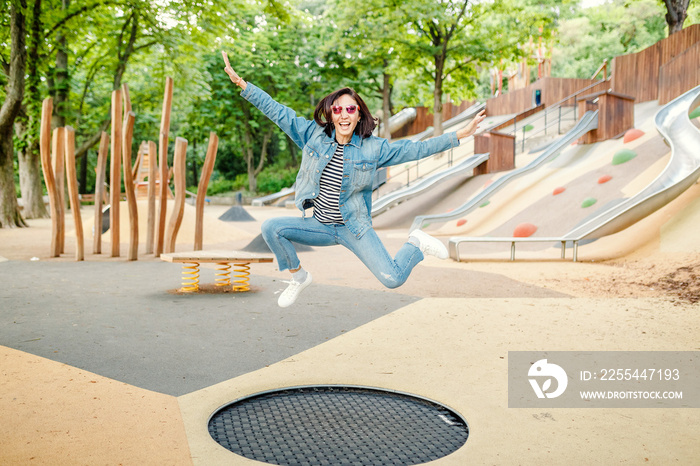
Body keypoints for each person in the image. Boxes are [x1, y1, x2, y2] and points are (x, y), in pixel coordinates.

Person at [222, 51, 485, 307]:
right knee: (271, 227)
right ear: (331, 114)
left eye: (350, 108)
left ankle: (416, 244)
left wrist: (459, 135)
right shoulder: (312, 135)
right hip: (320, 226)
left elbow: (415, 149)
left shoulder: (374, 148)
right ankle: (299, 277)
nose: (344, 114)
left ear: (359, 114)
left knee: (393, 279)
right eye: (338, 109)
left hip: (354, 228)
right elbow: (279, 112)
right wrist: (244, 85)